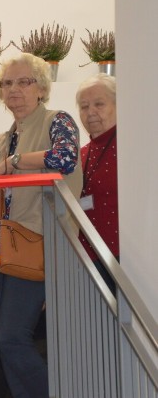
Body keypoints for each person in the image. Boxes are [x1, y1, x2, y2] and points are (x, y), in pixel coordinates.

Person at [0, 53, 82, 398]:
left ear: (41, 87)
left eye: (23, 82)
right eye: (6, 84)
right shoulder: (1, 140)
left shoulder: (57, 121)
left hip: (33, 245)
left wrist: (14, 163)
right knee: (2, 340)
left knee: (14, 336)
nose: (14, 90)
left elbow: (64, 160)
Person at [76, 74, 118, 290]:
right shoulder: (79, 155)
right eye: (84, 106)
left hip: (125, 261)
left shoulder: (132, 148)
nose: (90, 112)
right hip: (86, 260)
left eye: (99, 104)